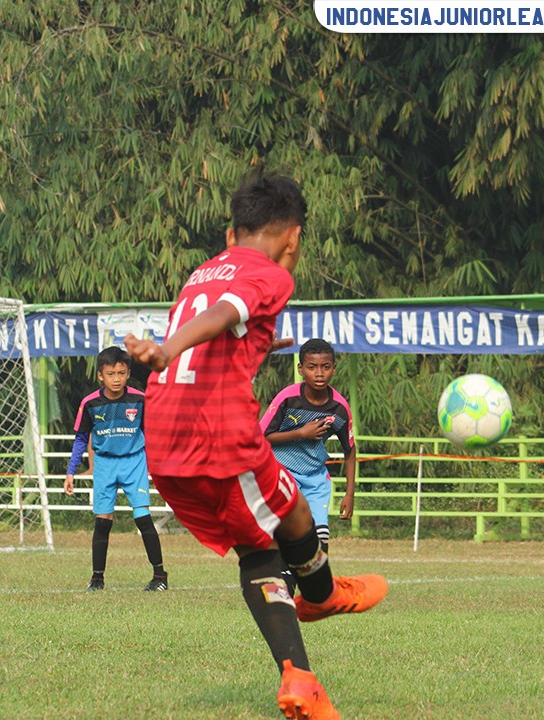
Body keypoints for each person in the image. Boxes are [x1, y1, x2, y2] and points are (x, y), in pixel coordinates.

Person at [125, 175, 387, 720]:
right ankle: (318, 601)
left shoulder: (204, 270)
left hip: (166, 440)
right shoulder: (268, 274)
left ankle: (305, 653)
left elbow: (221, 322)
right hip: (216, 436)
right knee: (285, 524)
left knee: (263, 537)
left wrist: (263, 343)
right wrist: (166, 348)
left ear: (230, 232)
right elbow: (226, 312)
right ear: (292, 239)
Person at [64, 347, 168, 592]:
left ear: (128, 373)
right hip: (105, 464)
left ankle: (160, 576)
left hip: (134, 462)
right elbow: (81, 438)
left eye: (121, 373)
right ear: (101, 375)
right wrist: (71, 471)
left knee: (142, 517)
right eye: (111, 374)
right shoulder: (90, 404)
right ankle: (97, 579)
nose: (116, 378)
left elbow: (151, 432)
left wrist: (158, 463)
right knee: (103, 521)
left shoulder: (139, 399)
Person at [260, 339, 357, 553]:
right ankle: (286, 580)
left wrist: (350, 494)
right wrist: (301, 433)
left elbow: (349, 451)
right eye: (312, 367)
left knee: (320, 538)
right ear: (301, 369)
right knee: (288, 534)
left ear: (334, 368)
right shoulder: (288, 398)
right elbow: (260, 437)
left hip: (315, 478)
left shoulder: (339, 408)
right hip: (282, 474)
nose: (319, 373)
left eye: (325, 367)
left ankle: (315, 585)